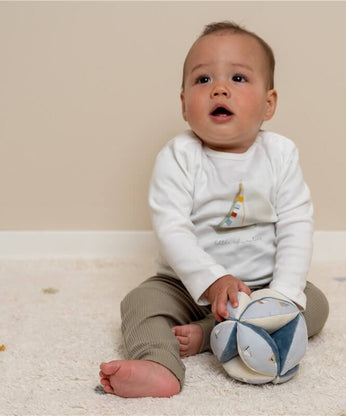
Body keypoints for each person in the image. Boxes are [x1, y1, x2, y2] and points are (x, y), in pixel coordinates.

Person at [99, 21, 329, 398]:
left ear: (268, 104)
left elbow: (296, 223)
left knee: (314, 304)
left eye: (238, 78)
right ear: (183, 104)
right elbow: (172, 227)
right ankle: (159, 362)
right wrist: (211, 281)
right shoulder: (179, 156)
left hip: (261, 286)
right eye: (203, 80)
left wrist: (283, 294)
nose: (219, 88)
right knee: (139, 302)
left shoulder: (280, 155)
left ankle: (211, 334)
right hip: (186, 286)